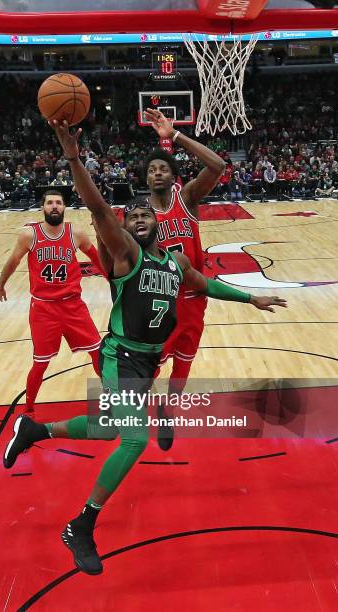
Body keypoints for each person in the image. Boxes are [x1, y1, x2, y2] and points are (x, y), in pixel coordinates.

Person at [2, 119, 287, 576]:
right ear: (125, 227)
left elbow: (206, 284)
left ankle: (36, 432)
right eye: (130, 216)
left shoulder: (174, 262)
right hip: (121, 354)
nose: (137, 219)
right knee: (134, 438)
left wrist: (251, 297)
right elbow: (96, 207)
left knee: (106, 430)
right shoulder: (125, 255)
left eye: (144, 216)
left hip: (147, 361)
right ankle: (82, 524)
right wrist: (73, 157)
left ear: (157, 221)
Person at [142, 108, 226, 450]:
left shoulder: (187, 197)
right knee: (150, 367)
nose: (158, 173)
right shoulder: (139, 215)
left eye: (164, 168)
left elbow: (218, 166)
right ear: (145, 179)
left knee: (184, 365)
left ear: (174, 176)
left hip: (194, 299)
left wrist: (175, 136)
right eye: (151, 170)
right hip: (160, 302)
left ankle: (168, 411)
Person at [0, 189, 102, 419]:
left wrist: (116, 279)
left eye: (59, 203)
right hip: (44, 309)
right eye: (50, 203)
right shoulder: (29, 235)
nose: (54, 206)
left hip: (73, 305)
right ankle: (29, 409)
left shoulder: (76, 233)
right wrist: (1, 283)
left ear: (65, 207)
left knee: (98, 353)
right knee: (40, 363)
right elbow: (13, 261)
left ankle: (113, 399)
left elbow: (96, 259)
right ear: (42, 208)